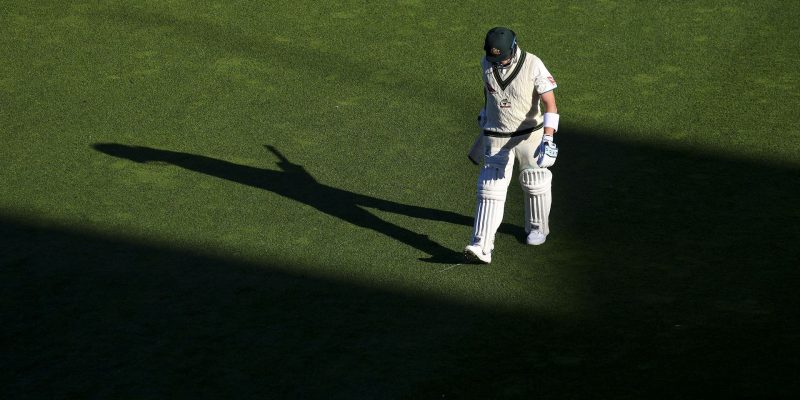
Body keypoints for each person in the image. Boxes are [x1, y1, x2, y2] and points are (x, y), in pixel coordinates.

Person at [464, 27, 560, 264]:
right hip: (496, 136)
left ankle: (537, 227)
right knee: (489, 189)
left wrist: (548, 139)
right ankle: (481, 246)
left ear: (514, 48)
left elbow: (550, 104)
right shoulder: (486, 63)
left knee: (535, 182)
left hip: (530, 135)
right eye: (493, 57)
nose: (498, 62)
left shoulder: (533, 64)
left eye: (502, 57)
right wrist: (485, 113)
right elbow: (490, 93)